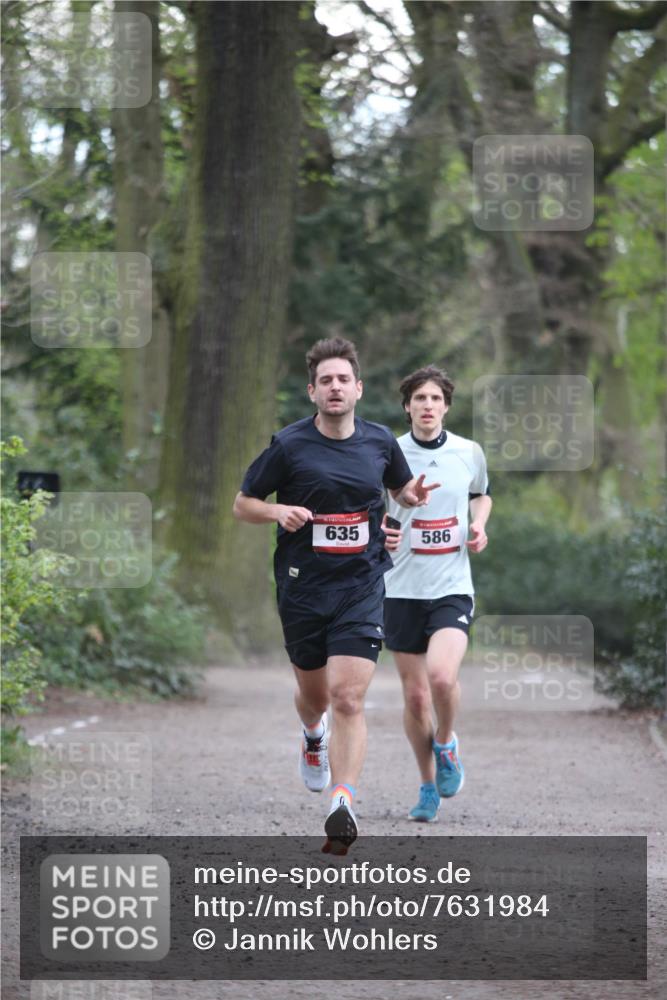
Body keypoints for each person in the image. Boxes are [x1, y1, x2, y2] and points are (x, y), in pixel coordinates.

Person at [233, 338, 438, 853]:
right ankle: (312, 734)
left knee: (348, 696)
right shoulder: (289, 446)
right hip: (303, 586)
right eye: (325, 380)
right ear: (312, 392)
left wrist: (409, 497)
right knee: (316, 698)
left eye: (343, 379)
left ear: (358, 388)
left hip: (362, 584)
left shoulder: (380, 442)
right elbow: (243, 503)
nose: (335, 387)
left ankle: (342, 801)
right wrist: (277, 511)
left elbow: (398, 489)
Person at [382, 365, 492, 823]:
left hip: (451, 586)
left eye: (435, 399)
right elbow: (371, 506)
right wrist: (381, 529)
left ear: (446, 407)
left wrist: (478, 524)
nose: (427, 406)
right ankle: (428, 786)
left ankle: (446, 742)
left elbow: (481, 494)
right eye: (419, 399)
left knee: (442, 679)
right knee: (415, 698)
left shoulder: (468, 452)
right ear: (407, 407)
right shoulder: (388, 452)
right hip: (400, 588)